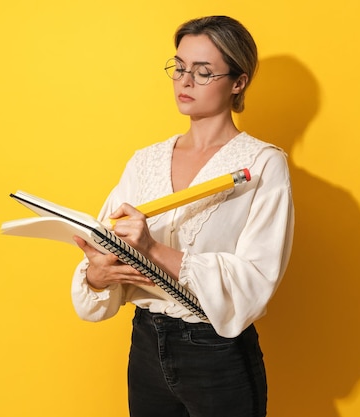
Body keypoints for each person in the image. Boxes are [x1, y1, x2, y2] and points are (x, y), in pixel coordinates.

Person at [70, 15, 294, 417]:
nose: (185, 81)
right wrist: (96, 275)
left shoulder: (263, 164)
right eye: (180, 67)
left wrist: (151, 248)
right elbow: (106, 246)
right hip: (145, 345)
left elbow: (256, 279)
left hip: (218, 353)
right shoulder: (145, 161)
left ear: (238, 82)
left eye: (204, 72)